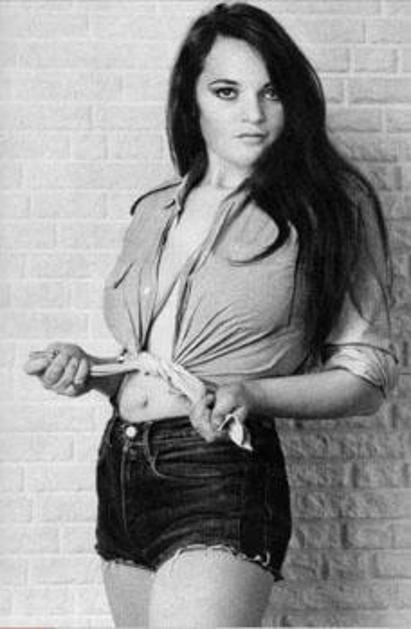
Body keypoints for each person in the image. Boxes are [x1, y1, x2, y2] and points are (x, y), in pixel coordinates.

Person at [24, 3, 398, 627]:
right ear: (191, 100)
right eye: (227, 92)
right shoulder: (155, 209)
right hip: (121, 469)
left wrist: (252, 392)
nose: (253, 113)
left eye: (271, 92)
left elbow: (369, 376)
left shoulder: (329, 206)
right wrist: (92, 370)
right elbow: (155, 367)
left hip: (218, 472)